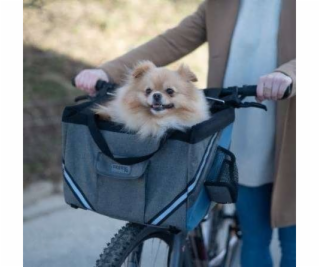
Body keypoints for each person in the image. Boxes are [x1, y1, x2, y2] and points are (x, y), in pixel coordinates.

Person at [75, 0, 296, 266]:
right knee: (254, 237)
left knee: (295, 244)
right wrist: (106, 70)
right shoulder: (220, 5)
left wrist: (289, 73)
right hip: (244, 135)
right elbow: (171, 42)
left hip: (295, 137)